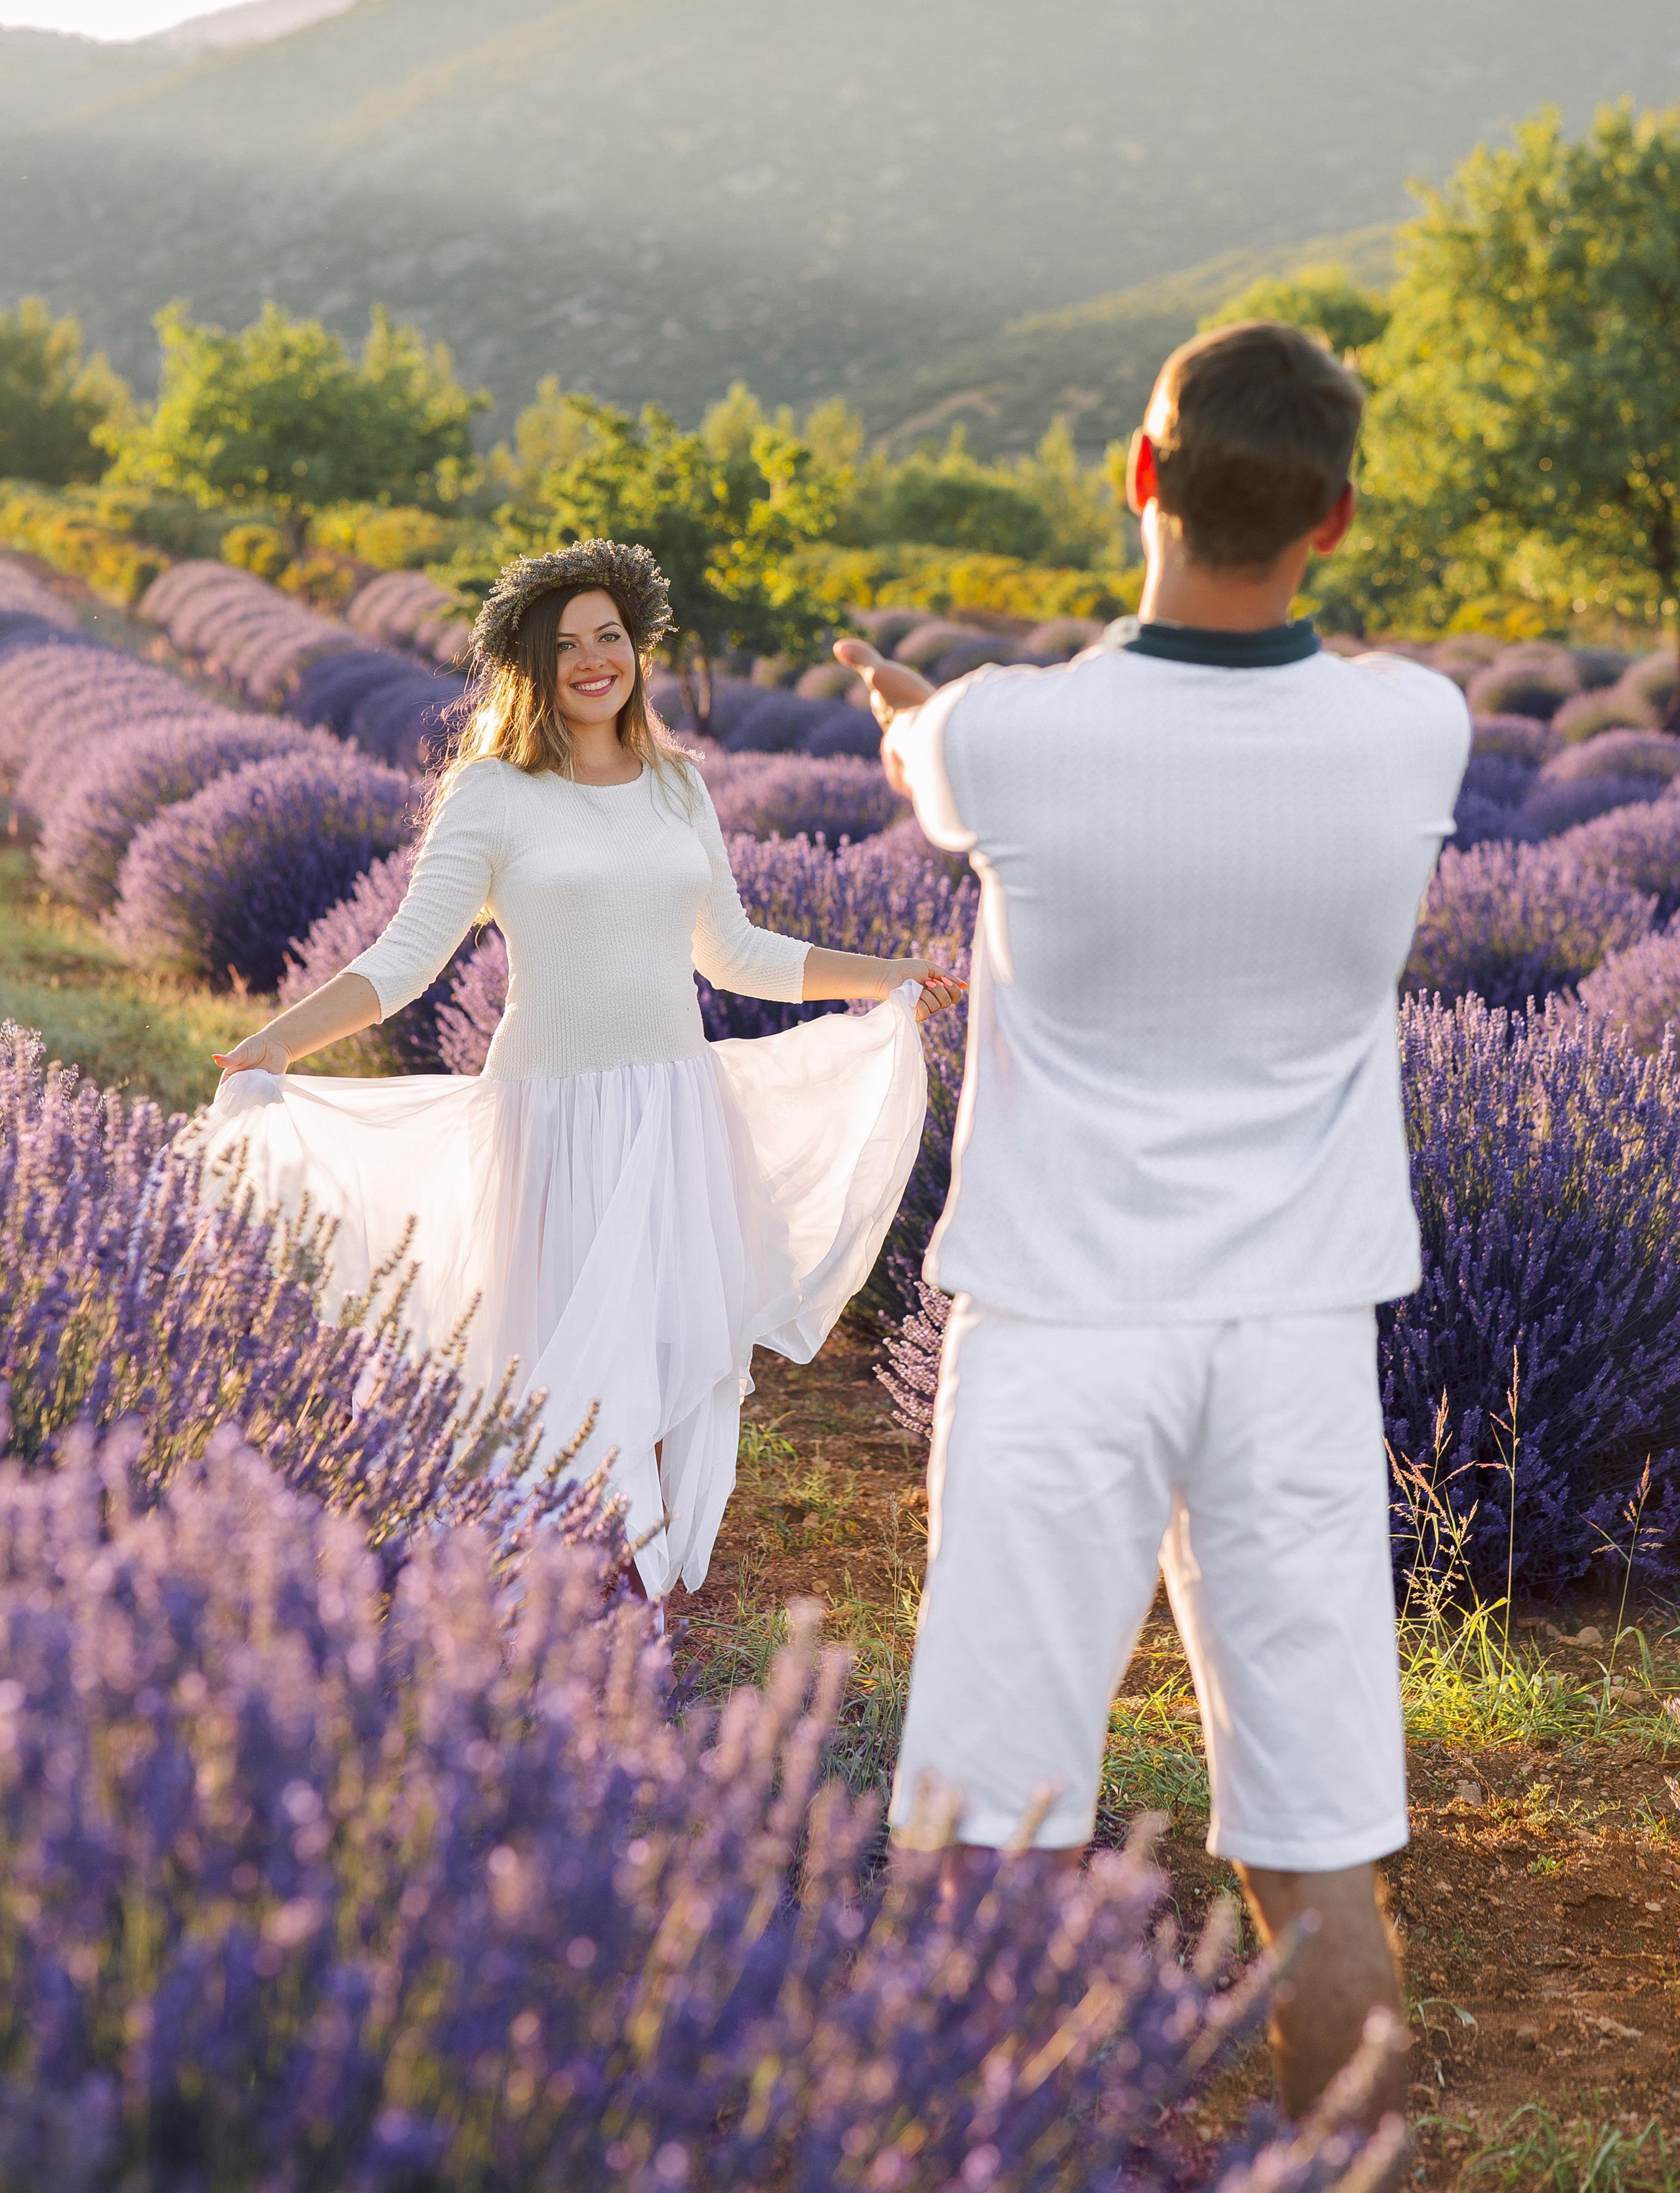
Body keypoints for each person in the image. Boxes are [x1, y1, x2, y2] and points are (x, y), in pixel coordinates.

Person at [836, 321, 1470, 2130]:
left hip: (1058, 1330)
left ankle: (989, 2159)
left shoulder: (1009, 743)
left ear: (1140, 477)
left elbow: (930, 761)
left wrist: (903, 717)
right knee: (1317, 1841)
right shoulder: (1413, 725)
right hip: (1292, 1341)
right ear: (1335, 518)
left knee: (993, 1822)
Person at [207, 539, 961, 1599]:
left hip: (672, 1106)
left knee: (657, 1356)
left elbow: (733, 952)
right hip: (547, 1114)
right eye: (567, 645)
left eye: (610, 635)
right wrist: (283, 1038)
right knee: (549, 1368)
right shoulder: (491, 794)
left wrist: (878, 974)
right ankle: (540, 1595)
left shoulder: (678, 785)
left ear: (638, 647)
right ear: (530, 663)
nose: (595, 659)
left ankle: (632, 1608)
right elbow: (407, 956)